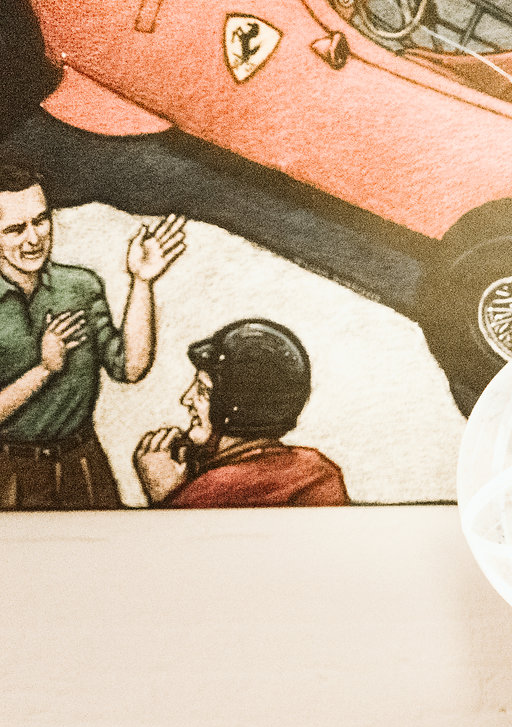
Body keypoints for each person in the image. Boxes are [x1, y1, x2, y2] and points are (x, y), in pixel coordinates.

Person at [0, 157, 185, 509]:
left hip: (83, 465)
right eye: (15, 229)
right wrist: (44, 369)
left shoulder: (80, 287)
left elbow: (130, 367)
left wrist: (142, 282)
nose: (34, 238)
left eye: (41, 220)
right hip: (8, 474)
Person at [132, 319, 348, 508]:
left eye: (203, 391)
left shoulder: (212, 491)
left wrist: (167, 497)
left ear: (237, 404)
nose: (186, 399)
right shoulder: (319, 471)